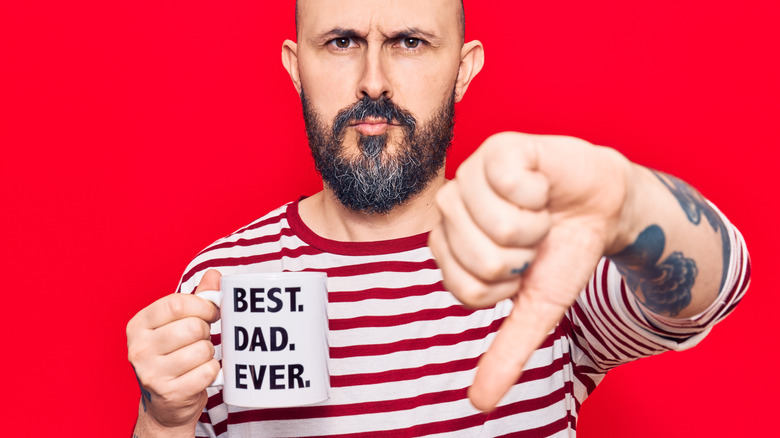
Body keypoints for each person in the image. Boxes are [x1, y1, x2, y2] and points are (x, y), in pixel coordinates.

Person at [126, 0, 750, 436]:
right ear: (296, 68)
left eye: (410, 42)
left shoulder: (537, 250)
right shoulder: (221, 278)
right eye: (341, 42)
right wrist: (163, 421)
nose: (374, 81)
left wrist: (628, 200)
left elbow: (712, 290)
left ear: (464, 68)